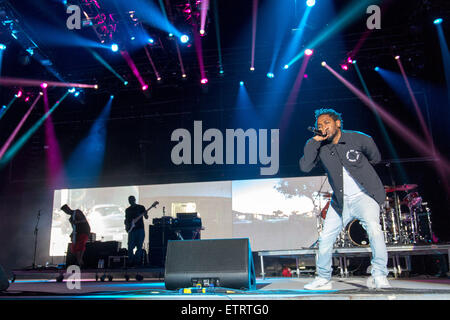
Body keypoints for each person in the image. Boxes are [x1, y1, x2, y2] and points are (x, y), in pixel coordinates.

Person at [299, 108, 390, 290]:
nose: (323, 127)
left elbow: (376, 157)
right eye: (320, 125)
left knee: (374, 229)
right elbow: (305, 167)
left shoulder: (358, 138)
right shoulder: (319, 146)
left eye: (327, 123)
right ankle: (323, 278)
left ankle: (379, 274)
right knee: (325, 238)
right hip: (340, 201)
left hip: (364, 196)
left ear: (337, 123)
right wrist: (314, 142)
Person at [125, 196, 148, 267]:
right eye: (129, 200)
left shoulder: (141, 207)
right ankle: (130, 261)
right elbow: (126, 220)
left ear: (134, 200)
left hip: (140, 229)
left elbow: (146, 217)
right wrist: (127, 226)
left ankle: (137, 262)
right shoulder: (127, 210)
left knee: (139, 246)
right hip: (131, 230)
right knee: (130, 246)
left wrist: (145, 213)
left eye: (132, 200)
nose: (131, 201)